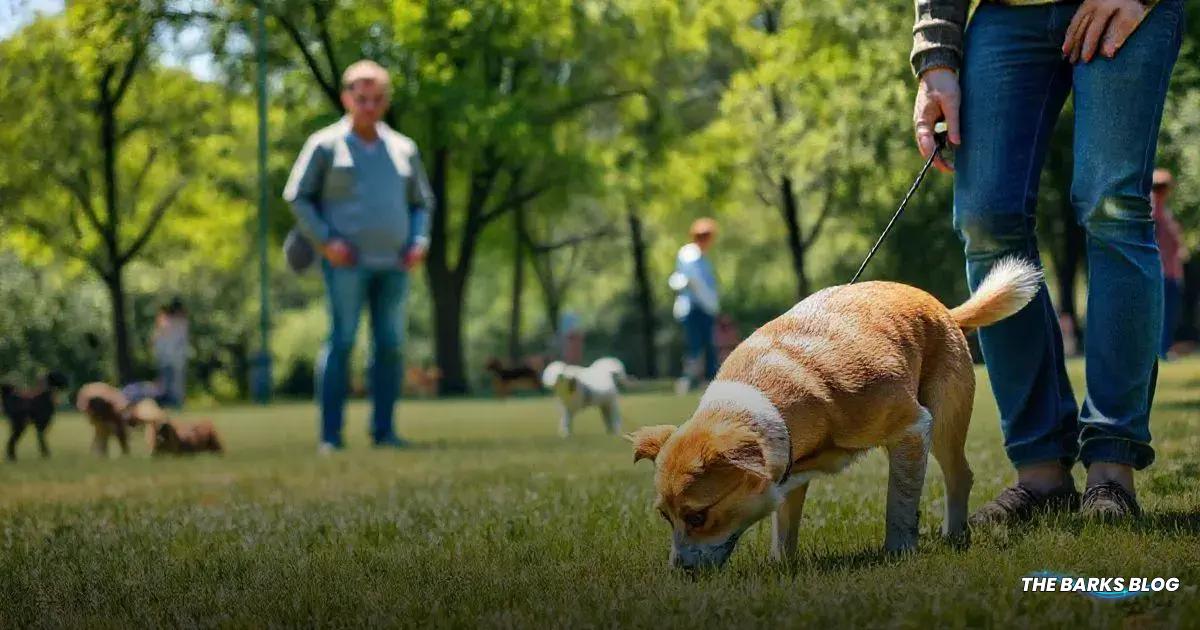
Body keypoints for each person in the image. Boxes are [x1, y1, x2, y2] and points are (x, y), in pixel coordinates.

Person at [912, 0, 1183, 521]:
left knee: (1111, 205)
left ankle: (1111, 466)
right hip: (1004, 15)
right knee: (986, 220)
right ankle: (1040, 474)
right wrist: (936, 60)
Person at [283, 60, 436, 453]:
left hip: (395, 264)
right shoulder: (324, 144)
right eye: (361, 97)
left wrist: (419, 240)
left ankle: (384, 432)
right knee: (342, 342)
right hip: (346, 264)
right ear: (346, 97)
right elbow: (297, 196)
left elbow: (422, 202)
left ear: (386, 102)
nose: (369, 105)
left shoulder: (404, 148)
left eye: (377, 98)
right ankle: (330, 436)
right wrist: (326, 241)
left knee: (390, 345)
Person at [671, 218, 719, 394]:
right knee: (695, 347)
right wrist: (711, 304)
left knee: (707, 346)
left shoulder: (702, 257)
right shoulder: (690, 254)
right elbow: (695, 283)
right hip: (694, 308)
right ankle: (689, 381)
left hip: (703, 308)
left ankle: (707, 382)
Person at [1152, 168, 1186, 359]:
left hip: (1172, 271)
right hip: (1161, 272)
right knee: (1161, 314)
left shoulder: (1164, 212)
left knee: (1169, 313)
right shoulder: (1153, 213)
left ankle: (1164, 348)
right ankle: (1160, 350)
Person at [152, 298, 188, 408]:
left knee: (174, 383)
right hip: (168, 359)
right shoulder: (172, 323)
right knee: (168, 382)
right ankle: (171, 402)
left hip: (173, 359)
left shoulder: (176, 323)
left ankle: (175, 402)